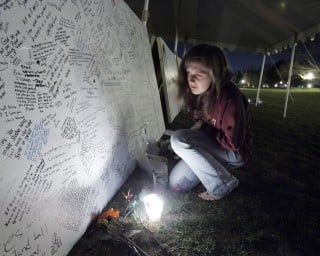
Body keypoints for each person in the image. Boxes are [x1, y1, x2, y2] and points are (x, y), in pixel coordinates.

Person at [169, 44, 252, 201]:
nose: (191, 80)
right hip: (213, 145)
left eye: (199, 75)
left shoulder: (230, 98)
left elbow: (233, 143)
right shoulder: (199, 92)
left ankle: (223, 183)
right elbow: (201, 123)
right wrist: (192, 141)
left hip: (233, 153)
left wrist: (195, 138)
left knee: (178, 139)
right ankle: (214, 168)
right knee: (177, 184)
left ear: (215, 75)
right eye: (188, 73)